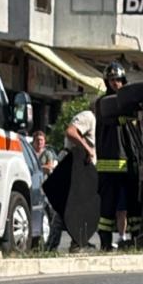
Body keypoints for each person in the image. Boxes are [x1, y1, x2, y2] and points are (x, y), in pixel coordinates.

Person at [95, 61, 139, 251]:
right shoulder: (104, 103)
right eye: (112, 80)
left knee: (133, 202)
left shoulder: (128, 102)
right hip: (110, 163)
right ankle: (105, 241)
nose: (115, 83)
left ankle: (136, 238)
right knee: (108, 205)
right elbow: (116, 120)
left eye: (118, 80)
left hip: (130, 161)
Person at [45, 97, 97, 252]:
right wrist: (87, 149)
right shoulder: (89, 116)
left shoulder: (94, 121)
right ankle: (54, 245)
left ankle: (75, 242)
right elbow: (70, 132)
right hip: (74, 164)